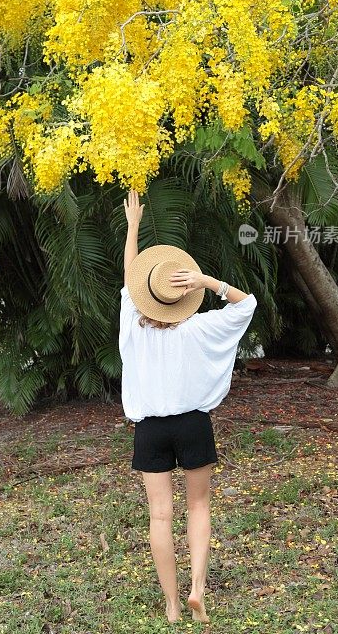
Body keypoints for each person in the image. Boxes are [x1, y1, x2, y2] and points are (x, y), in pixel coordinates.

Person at [119, 190, 258, 624]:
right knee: (199, 506)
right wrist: (209, 284)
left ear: (145, 294)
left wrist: (133, 226)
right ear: (183, 295)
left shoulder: (131, 322)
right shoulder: (197, 327)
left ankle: (173, 604)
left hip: (150, 430)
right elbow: (247, 304)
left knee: (160, 515)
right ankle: (198, 589)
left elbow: (128, 274)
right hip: (193, 424)